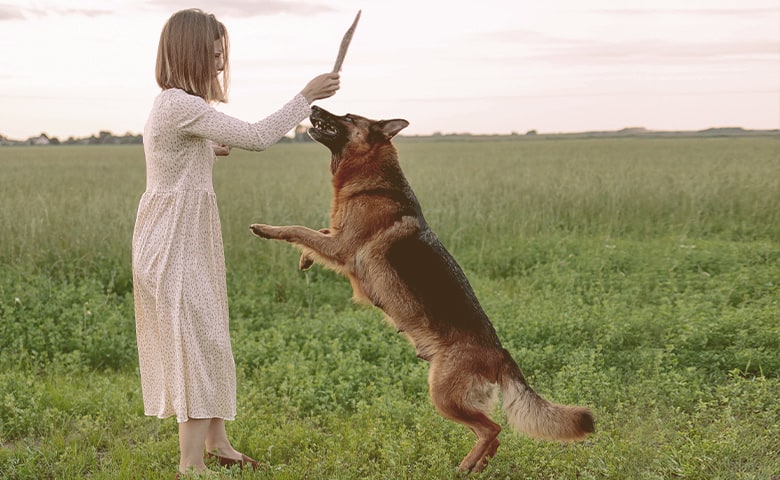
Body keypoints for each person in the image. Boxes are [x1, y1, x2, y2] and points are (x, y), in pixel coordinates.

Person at [131, 8, 340, 477]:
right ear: (191, 54)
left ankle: (219, 443)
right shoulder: (180, 105)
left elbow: (177, 152)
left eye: (223, 54)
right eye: (215, 54)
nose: (222, 64)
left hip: (183, 235)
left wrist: (206, 149)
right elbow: (257, 137)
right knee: (194, 344)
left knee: (210, 336)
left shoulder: (177, 107)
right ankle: (191, 465)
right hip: (171, 242)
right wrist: (306, 98)